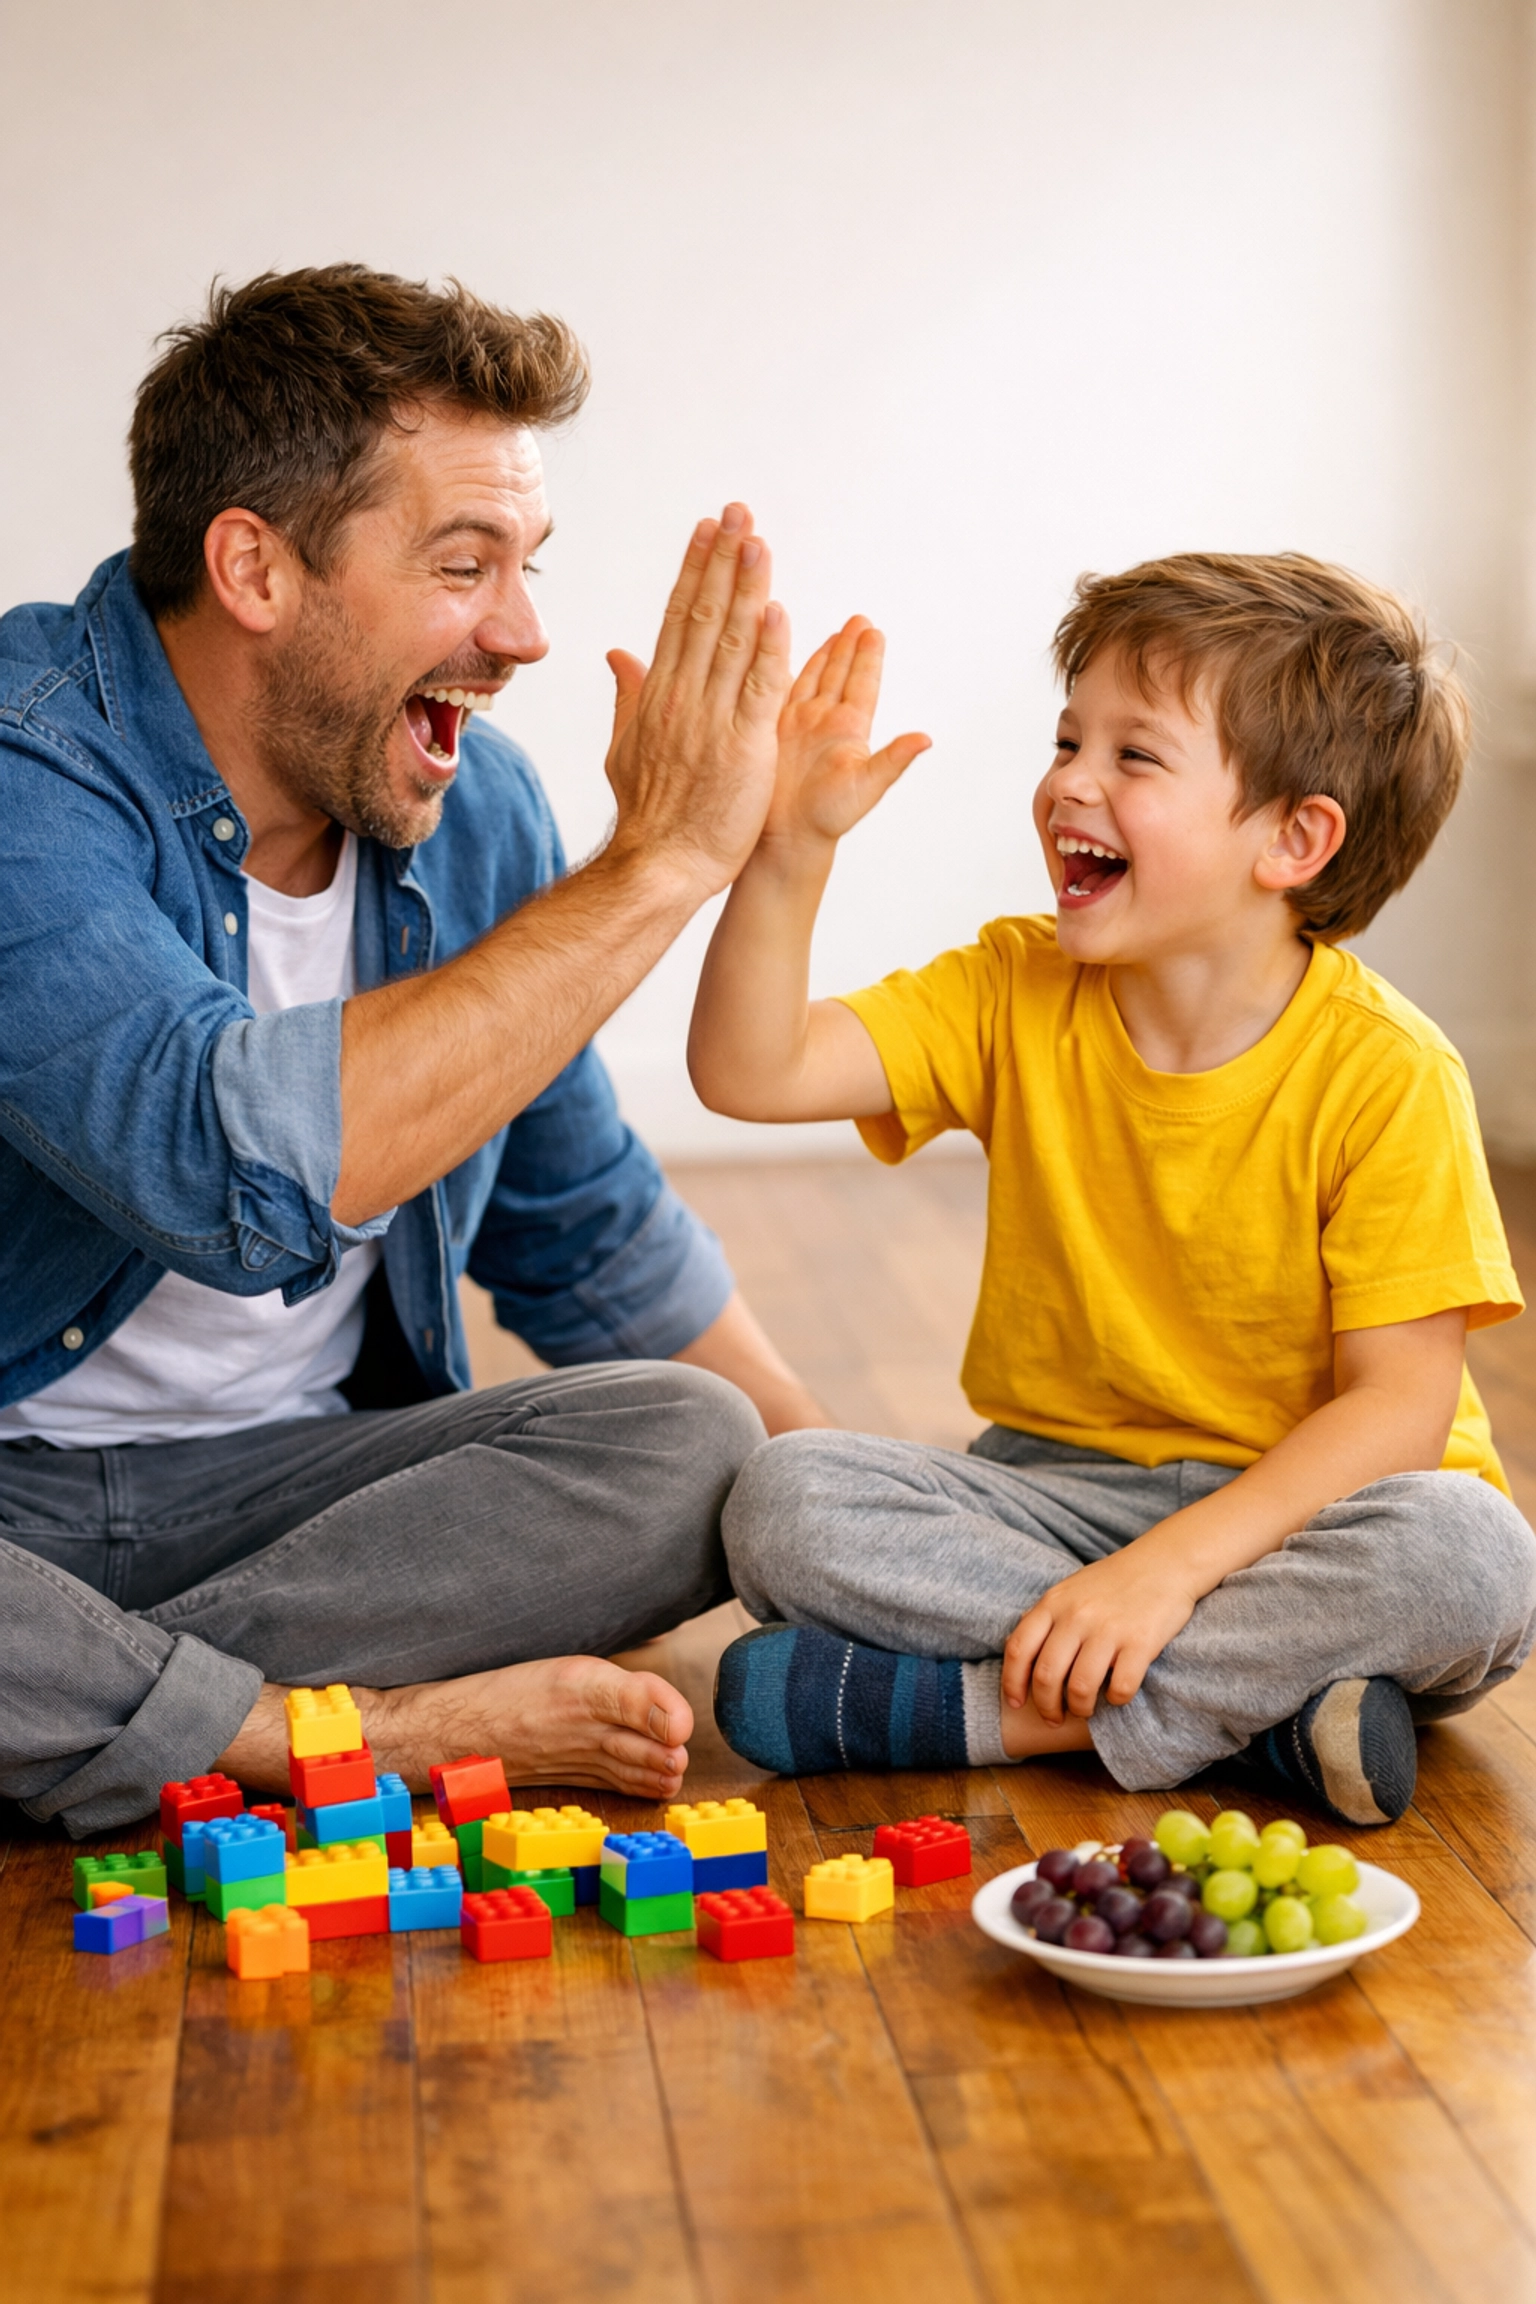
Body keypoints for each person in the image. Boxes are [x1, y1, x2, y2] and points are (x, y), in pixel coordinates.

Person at [0, 263, 826, 1836]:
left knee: (698, 1448)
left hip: (295, 1508)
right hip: (12, 1495)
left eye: (528, 565)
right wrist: (659, 866)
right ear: (254, 566)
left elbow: (581, 1224)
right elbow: (224, 1173)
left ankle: (97, 1712)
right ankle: (329, 1732)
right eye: (464, 565)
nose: (522, 633)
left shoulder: (478, 809)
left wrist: (854, 1507)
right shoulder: (23, 775)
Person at [690, 555, 1536, 1827]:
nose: (1068, 782)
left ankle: (993, 1715)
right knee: (784, 1501)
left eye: (1134, 755)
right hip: (1059, 1495)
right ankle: (1272, 1718)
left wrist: (1167, 1576)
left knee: (1472, 1559)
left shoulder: (1390, 1072)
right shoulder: (1011, 988)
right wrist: (790, 849)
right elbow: (749, 1070)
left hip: (1313, 1521)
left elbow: (1397, 1416)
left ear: (1294, 839)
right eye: (1067, 739)